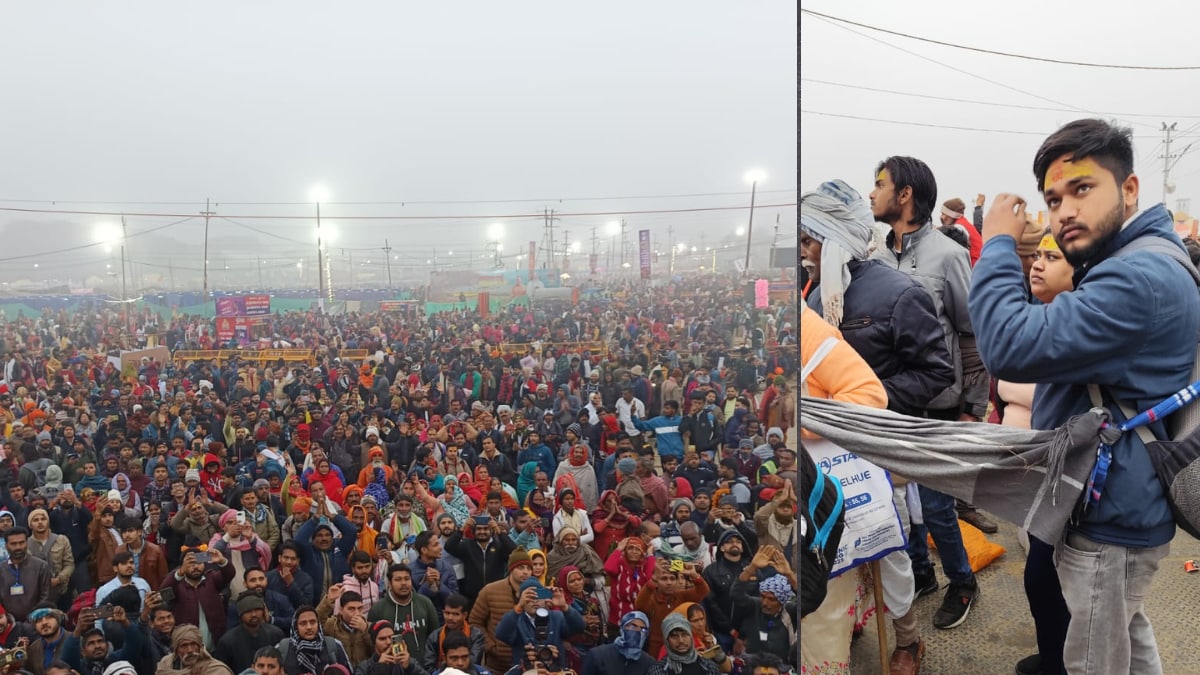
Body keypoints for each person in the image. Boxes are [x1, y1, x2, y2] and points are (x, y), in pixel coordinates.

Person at [970, 118, 1200, 674]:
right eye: (1053, 199)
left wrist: (998, 239)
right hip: (1119, 504)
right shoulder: (1129, 262)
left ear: (1129, 190)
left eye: (1081, 189)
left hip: (1112, 520)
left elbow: (1005, 344)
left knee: (1095, 658)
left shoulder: (1136, 278)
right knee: (1126, 634)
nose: (1064, 210)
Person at [868, 156, 987, 630]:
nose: (871, 193)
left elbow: (971, 334)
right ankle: (922, 574)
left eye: (880, 184)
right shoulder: (873, 257)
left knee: (936, 504)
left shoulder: (948, 256)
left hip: (939, 404)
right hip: (891, 405)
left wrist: (973, 407)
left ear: (905, 195)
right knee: (897, 501)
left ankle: (962, 581)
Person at [495, 577, 584, 672]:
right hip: (526, 670)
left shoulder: (556, 617)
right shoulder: (516, 620)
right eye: (530, 597)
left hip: (555, 670)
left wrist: (564, 607)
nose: (535, 601)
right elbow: (501, 634)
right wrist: (519, 607)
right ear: (522, 599)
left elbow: (579, 627)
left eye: (538, 596)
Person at [468, 548, 534, 672]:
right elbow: (475, 622)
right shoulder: (490, 591)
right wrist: (491, 647)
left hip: (528, 665)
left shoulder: (535, 592)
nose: (525, 572)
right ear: (511, 569)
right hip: (497, 666)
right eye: (520, 568)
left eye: (528, 568)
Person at [162, 546, 236, 652]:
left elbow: (229, 574)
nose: (196, 567)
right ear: (182, 566)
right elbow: (164, 592)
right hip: (188, 649)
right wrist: (180, 572)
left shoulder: (211, 579)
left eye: (199, 563)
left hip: (215, 646)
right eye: (191, 564)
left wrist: (222, 561)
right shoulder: (177, 585)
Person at [635, 558, 710, 659]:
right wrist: (653, 579)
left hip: (681, 647)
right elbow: (639, 605)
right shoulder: (652, 599)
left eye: (672, 578)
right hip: (655, 651)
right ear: (657, 581)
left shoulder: (681, 596)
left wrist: (694, 574)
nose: (669, 582)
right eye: (664, 579)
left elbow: (704, 591)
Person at [366, 563, 439, 658]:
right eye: (398, 579)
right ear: (389, 583)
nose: (403, 583)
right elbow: (372, 644)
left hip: (423, 667)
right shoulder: (378, 609)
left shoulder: (425, 603)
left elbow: (435, 637)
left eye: (407, 579)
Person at [443, 516, 516, 600]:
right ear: (474, 531)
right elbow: (449, 547)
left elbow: (513, 550)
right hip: (472, 596)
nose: (482, 532)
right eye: (479, 529)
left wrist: (499, 532)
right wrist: (462, 529)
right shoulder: (467, 545)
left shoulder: (499, 546)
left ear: (491, 531)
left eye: (486, 529)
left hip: (495, 595)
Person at [214, 593, 286, 675]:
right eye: (248, 611)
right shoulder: (227, 642)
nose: (253, 614)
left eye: (257, 610)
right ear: (240, 614)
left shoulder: (275, 634)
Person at [276, 606, 351, 675]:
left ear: (318, 624)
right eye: (303, 623)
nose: (309, 627)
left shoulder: (334, 645)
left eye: (312, 622)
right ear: (296, 626)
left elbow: (348, 672)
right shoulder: (283, 648)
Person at [423, 593, 485, 673]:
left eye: (455, 614)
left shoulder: (476, 635)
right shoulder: (435, 636)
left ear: (465, 615)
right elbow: (429, 666)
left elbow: (472, 663)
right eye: (447, 613)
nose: (450, 618)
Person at [0, 526, 51, 622]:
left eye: (21, 543)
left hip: (36, 622)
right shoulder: (1, 569)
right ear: (6, 545)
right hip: (8, 624)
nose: (18, 547)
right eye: (13, 544)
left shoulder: (41, 566)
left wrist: (35, 617)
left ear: (27, 543)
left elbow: (46, 596)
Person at [581, 610, 655, 675]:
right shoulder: (598, 656)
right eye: (633, 626)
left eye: (643, 630)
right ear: (622, 628)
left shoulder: (648, 663)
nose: (637, 632)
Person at [646, 613, 720, 675]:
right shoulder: (658, 671)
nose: (681, 640)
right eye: (674, 636)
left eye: (684, 634)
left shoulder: (708, 667)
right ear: (667, 640)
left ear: (691, 636)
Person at [315, 586, 373, 666]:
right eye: (351, 609)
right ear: (341, 610)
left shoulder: (369, 627)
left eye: (359, 608)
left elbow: (375, 650)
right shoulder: (333, 625)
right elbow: (316, 621)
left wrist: (365, 631)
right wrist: (328, 600)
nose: (357, 613)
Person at [26, 508, 74, 603]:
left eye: (43, 519)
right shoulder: (26, 544)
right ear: (30, 525)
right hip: (36, 594)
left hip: (60, 590)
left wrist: (58, 579)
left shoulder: (62, 540)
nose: (40, 522)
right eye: (36, 520)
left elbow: (69, 564)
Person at [354, 619, 428, 675]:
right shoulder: (364, 667)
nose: (389, 642)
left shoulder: (408, 662)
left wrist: (409, 668)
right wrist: (379, 669)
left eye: (391, 637)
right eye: (382, 639)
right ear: (374, 642)